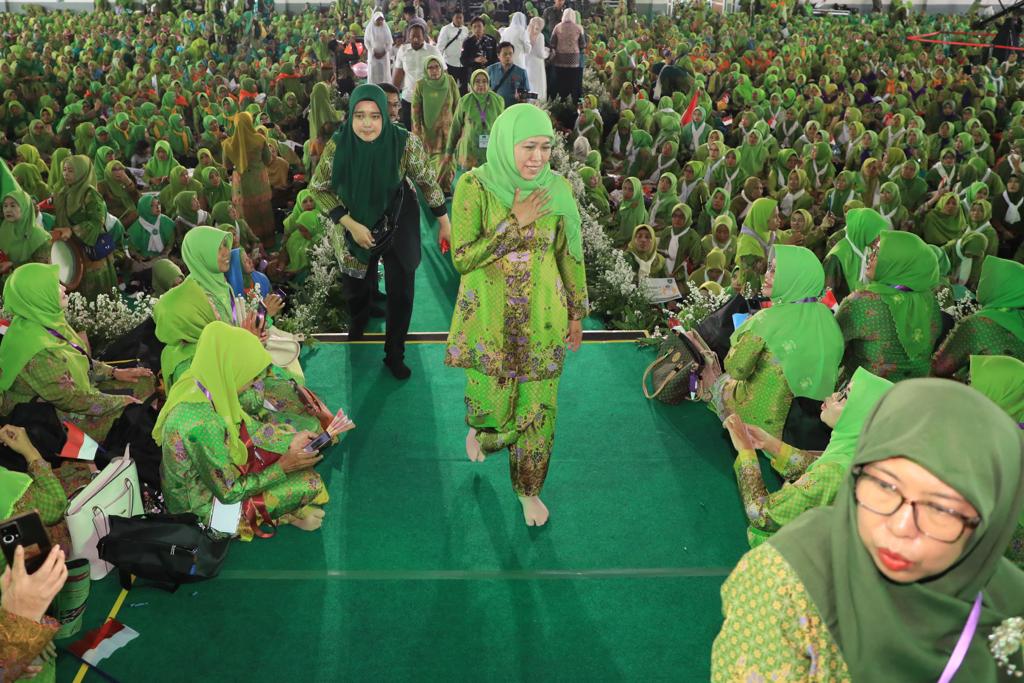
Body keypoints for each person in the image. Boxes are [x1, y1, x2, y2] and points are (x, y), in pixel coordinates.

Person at [711, 378, 1024, 682]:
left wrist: (751, 452)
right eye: (886, 485)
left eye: (941, 509)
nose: (900, 526)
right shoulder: (787, 581)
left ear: (992, 523)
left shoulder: (1010, 614)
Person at [446, 104, 588, 527]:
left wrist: (576, 312)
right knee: (493, 408)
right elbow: (462, 257)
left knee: (539, 412)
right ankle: (483, 430)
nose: (538, 158)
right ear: (506, 143)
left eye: (545, 147)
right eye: (529, 147)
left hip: (543, 320)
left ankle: (529, 490)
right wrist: (514, 222)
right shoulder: (474, 187)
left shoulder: (556, 190)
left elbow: (569, 253)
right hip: (489, 322)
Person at [310, 84, 451, 379]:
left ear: (385, 117)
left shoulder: (404, 143)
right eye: (360, 115)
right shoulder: (338, 145)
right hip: (352, 222)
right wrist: (351, 224)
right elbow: (319, 188)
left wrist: (444, 222)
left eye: (375, 116)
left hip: (397, 218)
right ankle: (359, 320)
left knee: (402, 291)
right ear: (350, 115)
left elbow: (427, 181)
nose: (367, 124)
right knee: (356, 287)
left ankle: (395, 353)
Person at [154, 322, 329, 539]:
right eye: (252, 378)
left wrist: (290, 440)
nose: (253, 385)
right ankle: (279, 517)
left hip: (212, 476)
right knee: (309, 482)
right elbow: (229, 493)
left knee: (287, 447)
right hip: (200, 509)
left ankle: (282, 510)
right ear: (232, 371)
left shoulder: (201, 379)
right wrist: (283, 466)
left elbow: (247, 426)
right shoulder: (202, 424)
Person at [0, 263, 161, 486]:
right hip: (51, 416)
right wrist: (120, 402)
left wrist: (115, 373)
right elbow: (72, 399)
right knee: (129, 413)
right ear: (38, 295)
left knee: (143, 381)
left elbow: (78, 358)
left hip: (73, 394)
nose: (63, 288)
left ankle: (130, 442)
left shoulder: (45, 321)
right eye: (54, 286)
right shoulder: (35, 350)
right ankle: (117, 457)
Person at [724, 368, 893, 548]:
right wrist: (770, 444)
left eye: (845, 397)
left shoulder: (834, 473)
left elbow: (762, 515)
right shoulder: (860, 455)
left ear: (860, 417)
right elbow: (818, 470)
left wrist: (746, 453)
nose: (833, 396)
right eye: (842, 389)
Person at [713, 246, 844, 442]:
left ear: (794, 277)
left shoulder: (766, 320)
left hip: (763, 424)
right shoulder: (828, 318)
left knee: (719, 381)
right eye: (769, 268)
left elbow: (736, 369)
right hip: (807, 425)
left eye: (775, 271)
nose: (767, 275)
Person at [836, 231, 942, 382]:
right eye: (873, 250)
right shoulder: (930, 301)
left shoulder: (862, 302)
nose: (871, 256)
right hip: (913, 390)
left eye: (878, 253)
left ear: (897, 261)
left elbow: (832, 345)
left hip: (867, 391)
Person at [932, 256, 1024, 379]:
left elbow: (940, 368)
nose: (979, 285)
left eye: (986, 280)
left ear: (996, 285)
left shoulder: (978, 323)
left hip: (976, 390)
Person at [49, 155, 117, 301]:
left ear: (82, 171)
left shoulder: (90, 194)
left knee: (95, 295)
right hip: (69, 246)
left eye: (71, 170)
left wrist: (73, 230)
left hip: (89, 250)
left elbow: (97, 221)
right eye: (64, 170)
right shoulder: (62, 192)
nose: (66, 174)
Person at [222, 112, 274, 248]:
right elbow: (268, 160)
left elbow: (227, 166)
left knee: (245, 213)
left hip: (240, 185)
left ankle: (250, 245)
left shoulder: (228, 144)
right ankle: (268, 243)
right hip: (259, 182)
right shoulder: (260, 139)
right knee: (264, 212)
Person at [392, 19, 443, 130]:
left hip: (428, 98)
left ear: (423, 37)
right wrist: (393, 97)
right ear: (408, 37)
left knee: (427, 130)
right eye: (412, 36)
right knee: (409, 130)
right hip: (408, 98)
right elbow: (398, 76)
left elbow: (444, 74)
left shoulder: (433, 51)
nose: (415, 39)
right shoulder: (403, 50)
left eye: (418, 36)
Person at [0, 189, 49, 289]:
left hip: (30, 287)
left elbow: (41, 268)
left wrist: (13, 265)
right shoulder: (5, 228)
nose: (8, 210)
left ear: (25, 207)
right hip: (6, 284)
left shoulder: (39, 237)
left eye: (13, 205)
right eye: (5, 206)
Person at [549, 9, 586, 104]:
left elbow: (552, 43)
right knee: (573, 82)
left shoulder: (557, 27)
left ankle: (561, 101)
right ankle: (573, 103)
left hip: (560, 59)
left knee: (561, 81)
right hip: (574, 60)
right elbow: (582, 45)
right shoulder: (578, 28)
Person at [486, 42, 531, 108]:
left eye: (510, 54)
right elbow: (485, 89)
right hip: (495, 108)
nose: (508, 56)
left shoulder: (521, 72)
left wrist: (522, 98)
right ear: (498, 55)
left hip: (514, 109)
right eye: (505, 54)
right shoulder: (491, 70)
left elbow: (526, 94)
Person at [437, 10, 470, 92]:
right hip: (450, 64)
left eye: (461, 18)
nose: (459, 20)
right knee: (451, 89)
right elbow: (440, 48)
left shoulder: (465, 29)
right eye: (457, 18)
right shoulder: (446, 29)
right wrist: (441, 65)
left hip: (463, 64)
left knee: (464, 88)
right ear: (453, 18)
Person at [364, 11, 394, 86]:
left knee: (384, 73)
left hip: (384, 56)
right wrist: (372, 52)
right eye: (378, 19)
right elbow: (366, 42)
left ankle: (385, 88)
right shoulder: (370, 28)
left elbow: (390, 42)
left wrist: (384, 52)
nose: (380, 21)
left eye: (381, 19)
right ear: (374, 19)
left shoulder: (385, 28)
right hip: (373, 56)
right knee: (373, 72)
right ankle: (373, 88)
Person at [525, 17, 548, 102]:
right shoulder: (540, 36)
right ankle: (538, 103)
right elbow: (540, 53)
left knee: (529, 84)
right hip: (537, 64)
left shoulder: (526, 34)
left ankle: (529, 101)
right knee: (538, 85)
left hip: (527, 62)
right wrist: (547, 52)